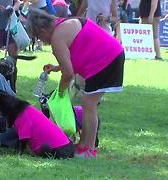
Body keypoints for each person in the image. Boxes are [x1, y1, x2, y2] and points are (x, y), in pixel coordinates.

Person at [26, 8, 125, 158]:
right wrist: (56, 67)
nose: (42, 41)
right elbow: (77, 52)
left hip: (106, 60)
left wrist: (60, 93)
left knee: (89, 104)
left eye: (39, 36)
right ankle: (84, 144)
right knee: (88, 103)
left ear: (42, 29)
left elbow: (68, 73)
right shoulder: (66, 24)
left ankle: (89, 149)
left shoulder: (57, 38)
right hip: (111, 56)